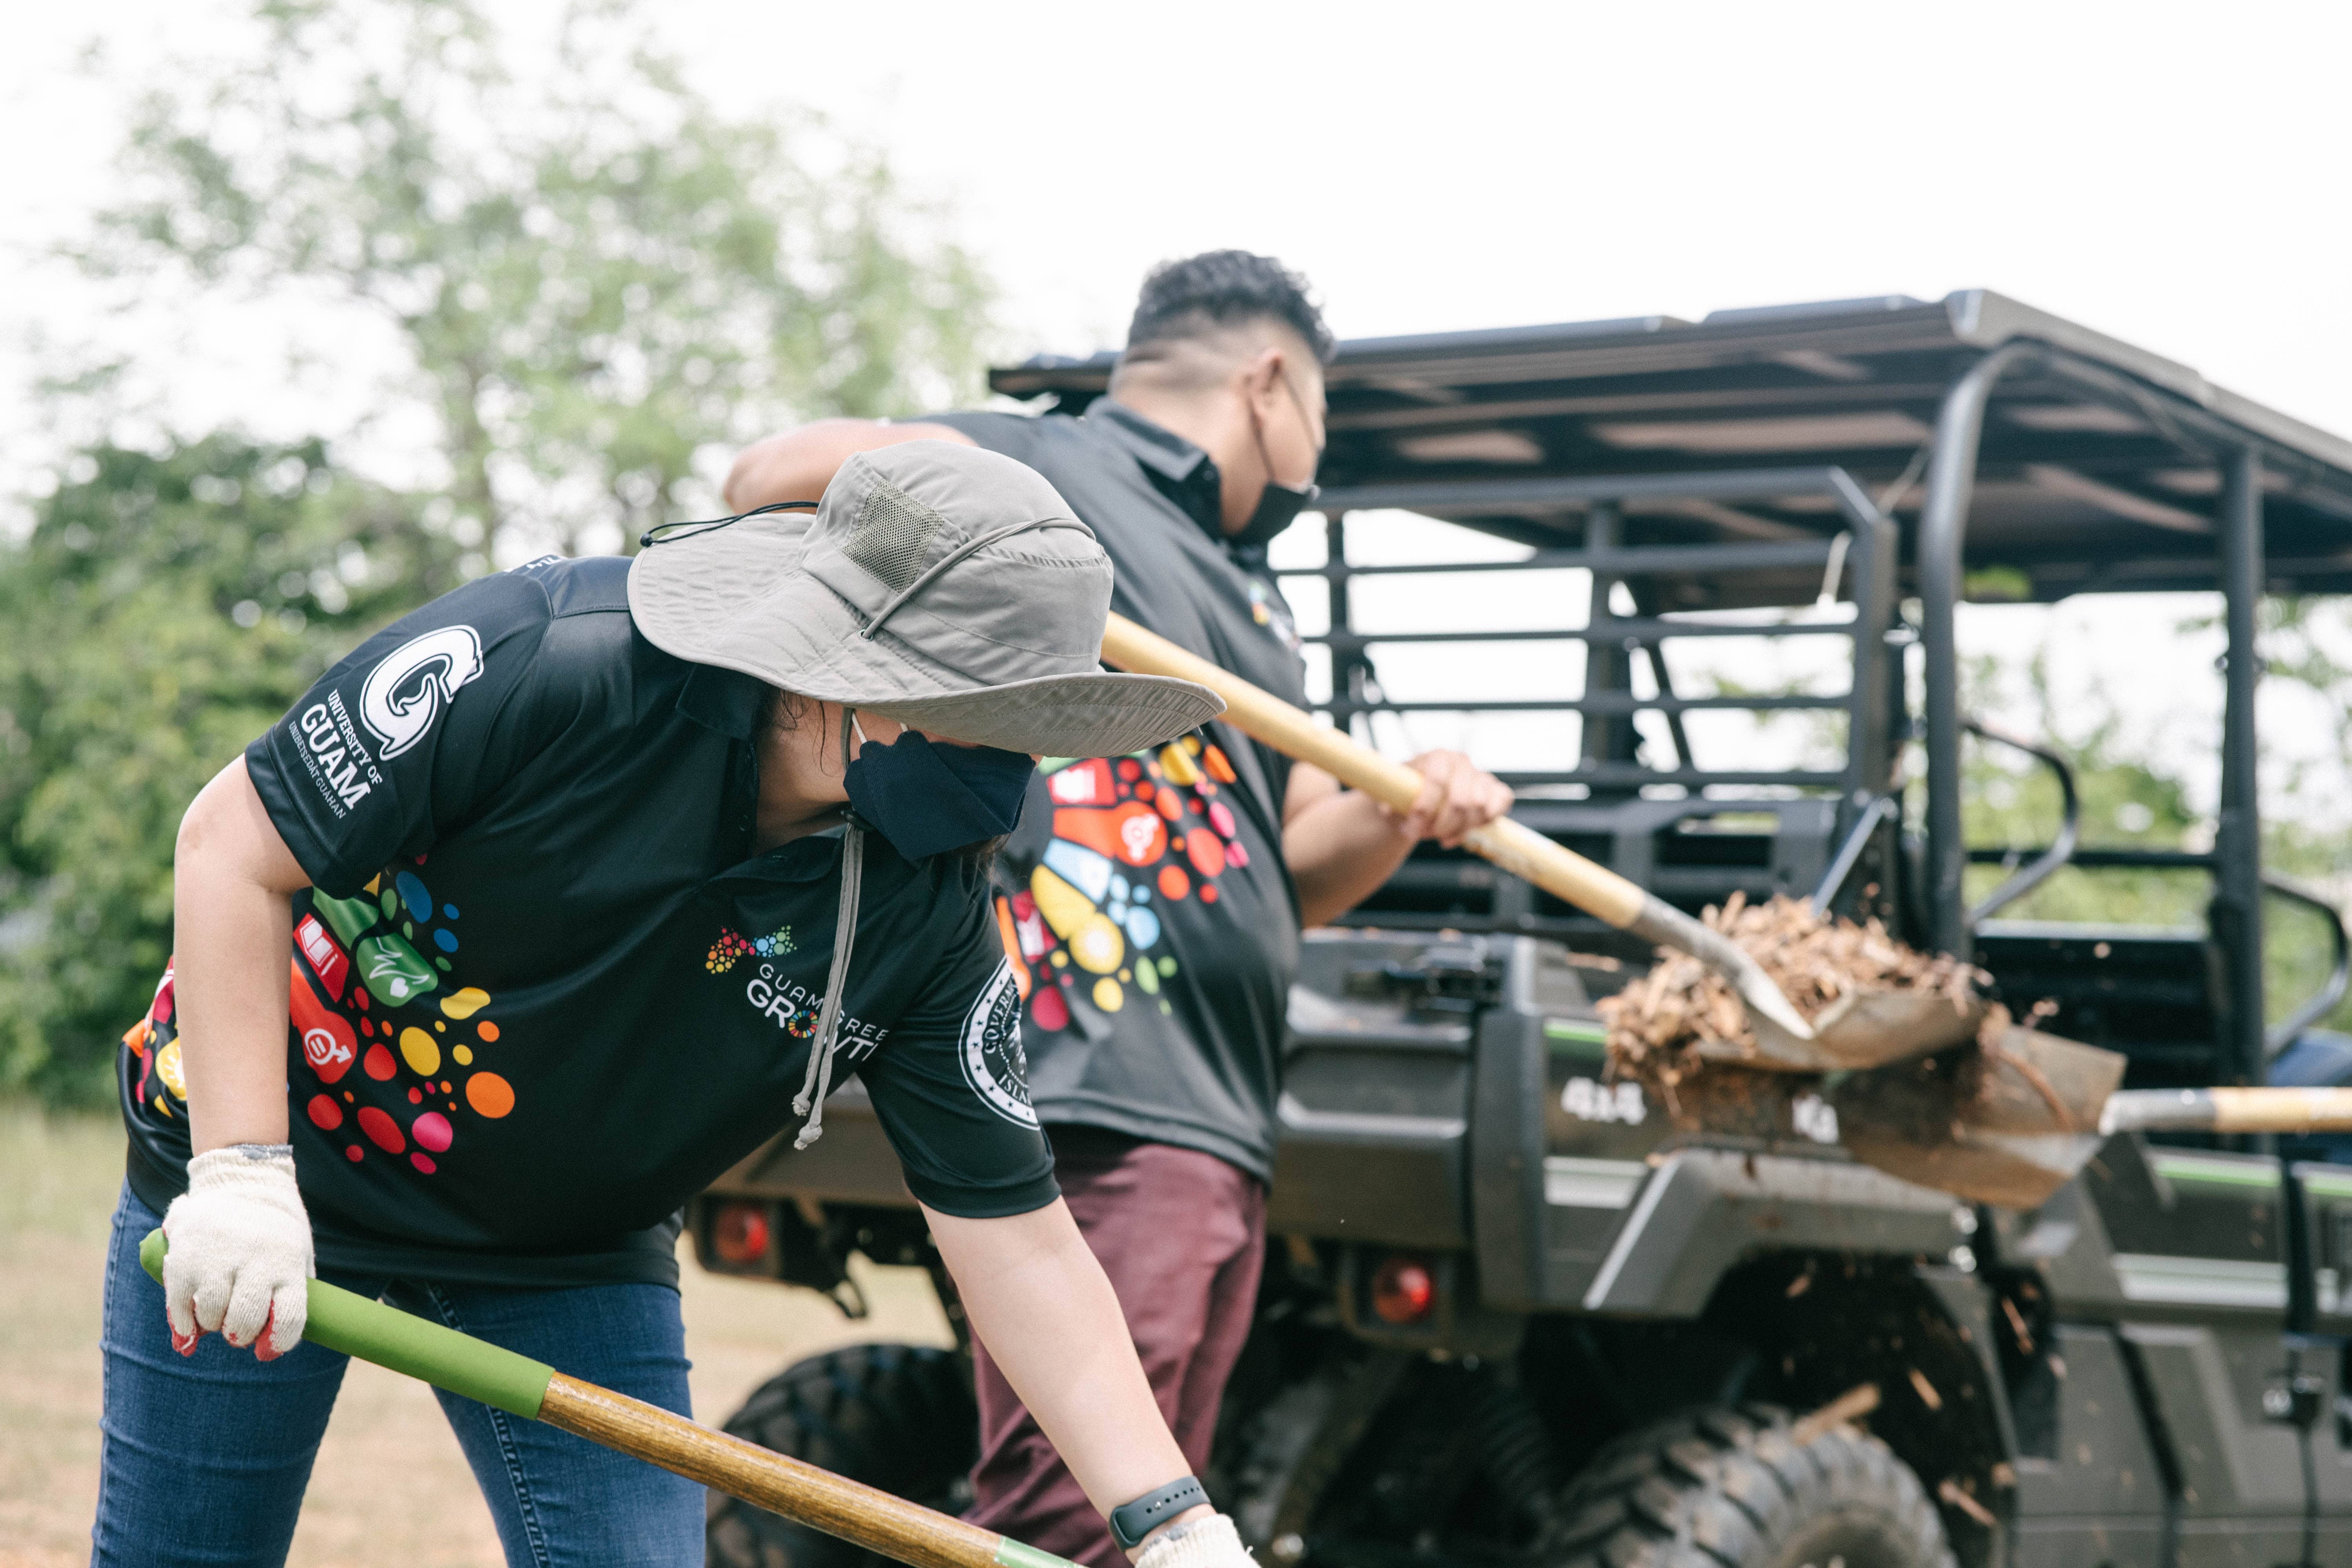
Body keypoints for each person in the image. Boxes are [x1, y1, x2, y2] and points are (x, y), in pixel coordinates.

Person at [94, 441, 1265, 1568]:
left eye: (1040, 726)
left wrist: (1170, 1522)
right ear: (852, 663)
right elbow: (230, 843)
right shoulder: (550, 661)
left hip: (570, 1251)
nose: (1015, 772)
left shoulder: (934, 907)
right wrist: (241, 1169)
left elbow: (1014, 1233)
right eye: (991, 713)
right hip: (287, 1170)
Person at [726, 251, 1516, 1568]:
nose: (1313, 455)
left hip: (1216, 1106)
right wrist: (944, 497)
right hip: (1091, 1078)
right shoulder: (1045, 473)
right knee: (1079, 1517)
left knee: (1152, 1520)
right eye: (1318, 416)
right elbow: (764, 478)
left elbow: (1292, 869)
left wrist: (1407, 801)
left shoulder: (1259, 613)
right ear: (1270, 383)